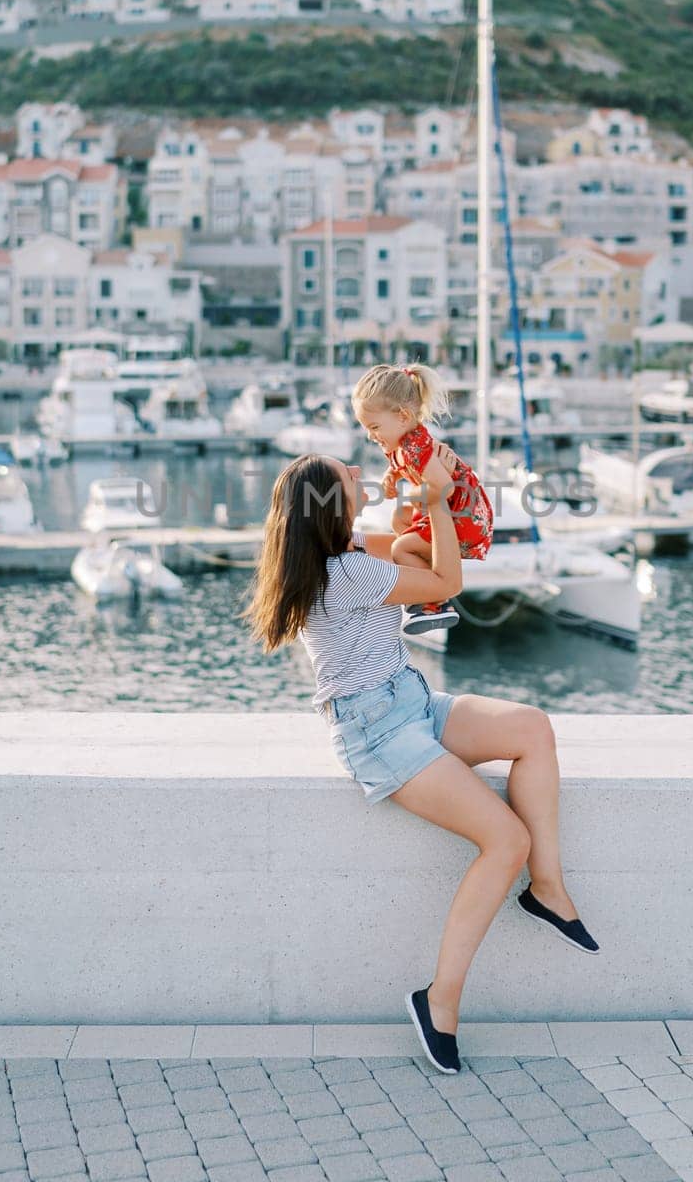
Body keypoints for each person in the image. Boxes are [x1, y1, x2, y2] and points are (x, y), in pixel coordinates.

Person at [245, 452, 598, 1076]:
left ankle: (547, 889)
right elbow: (447, 584)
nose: (359, 476)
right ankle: (440, 1000)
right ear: (328, 504)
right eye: (350, 478)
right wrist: (433, 502)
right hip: (380, 733)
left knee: (533, 729)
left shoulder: (346, 551)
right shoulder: (347, 571)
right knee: (504, 840)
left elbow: (421, 549)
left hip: (408, 702)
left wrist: (419, 503)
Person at [351, 363, 492, 636]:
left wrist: (411, 493)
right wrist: (392, 476)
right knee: (399, 518)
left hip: (464, 516)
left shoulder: (414, 448)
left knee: (400, 549)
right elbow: (405, 467)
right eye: (367, 428)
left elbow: (444, 489)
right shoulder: (403, 443)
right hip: (458, 512)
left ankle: (432, 601)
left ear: (403, 416)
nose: (370, 435)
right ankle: (429, 575)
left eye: (375, 426)